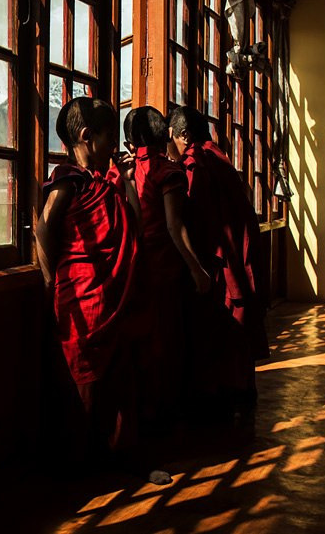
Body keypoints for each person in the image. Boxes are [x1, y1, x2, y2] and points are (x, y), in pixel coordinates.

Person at [35, 96, 148, 473]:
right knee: (84, 386)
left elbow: (134, 222)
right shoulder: (67, 181)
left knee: (115, 380)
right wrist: (52, 282)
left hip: (109, 296)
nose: (114, 147)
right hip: (80, 298)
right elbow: (43, 228)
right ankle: (80, 465)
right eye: (107, 138)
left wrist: (128, 179)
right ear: (86, 137)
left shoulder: (105, 182)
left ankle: (112, 456)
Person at [166, 105, 269, 421]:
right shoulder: (219, 157)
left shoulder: (197, 163)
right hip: (237, 255)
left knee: (221, 330)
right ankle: (240, 392)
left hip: (220, 261)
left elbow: (196, 218)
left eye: (171, 138)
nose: (170, 146)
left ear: (183, 135)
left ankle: (223, 397)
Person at [123, 106, 210, 430]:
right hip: (164, 269)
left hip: (135, 269)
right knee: (167, 344)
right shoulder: (166, 171)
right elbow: (175, 226)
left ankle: (144, 413)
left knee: (144, 345)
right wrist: (197, 269)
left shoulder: (126, 171)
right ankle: (165, 413)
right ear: (163, 134)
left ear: (131, 140)